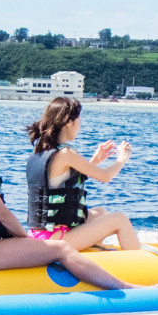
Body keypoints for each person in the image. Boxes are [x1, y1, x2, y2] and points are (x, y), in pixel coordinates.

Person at [0, 98, 134, 289]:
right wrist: (27, 241)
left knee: (100, 213)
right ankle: (129, 284)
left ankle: (100, 260)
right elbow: (2, 214)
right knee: (68, 245)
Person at [24, 96, 147, 254]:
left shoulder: (40, 151)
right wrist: (122, 159)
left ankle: (91, 253)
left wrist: (96, 160)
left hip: (42, 234)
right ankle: (136, 262)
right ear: (69, 122)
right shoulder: (66, 153)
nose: (80, 124)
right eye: (79, 119)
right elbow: (106, 176)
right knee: (119, 219)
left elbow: (64, 178)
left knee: (100, 213)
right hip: (56, 239)